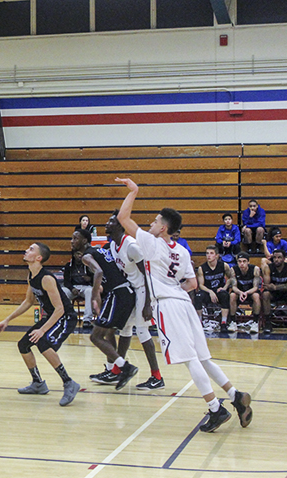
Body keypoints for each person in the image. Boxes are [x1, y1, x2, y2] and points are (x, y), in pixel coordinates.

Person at [116, 177, 252, 433]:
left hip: (168, 306)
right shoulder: (183, 251)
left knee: (191, 360)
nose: (151, 224)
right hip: (184, 304)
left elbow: (124, 218)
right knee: (203, 357)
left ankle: (216, 409)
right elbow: (191, 283)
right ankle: (235, 395)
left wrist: (134, 191)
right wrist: (172, 287)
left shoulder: (152, 243)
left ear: (163, 228)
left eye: (155, 221)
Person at [0, 242, 80, 406]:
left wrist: (42, 330)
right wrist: (7, 319)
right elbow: (28, 302)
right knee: (23, 345)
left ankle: (69, 382)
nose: (26, 250)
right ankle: (38, 383)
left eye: (31, 249)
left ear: (38, 258)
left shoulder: (47, 278)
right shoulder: (31, 276)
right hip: (52, 316)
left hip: (65, 317)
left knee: (43, 342)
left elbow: (60, 309)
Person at [98, 211, 165, 390]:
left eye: (111, 221)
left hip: (144, 289)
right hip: (131, 290)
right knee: (125, 328)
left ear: (120, 226)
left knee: (142, 332)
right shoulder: (113, 245)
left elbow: (148, 274)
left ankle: (157, 377)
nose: (106, 223)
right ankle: (119, 370)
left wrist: (147, 303)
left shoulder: (132, 246)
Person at [72, 229, 139, 391]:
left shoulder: (88, 255)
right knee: (109, 332)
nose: (72, 241)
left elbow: (100, 272)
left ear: (85, 242)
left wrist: (95, 295)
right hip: (125, 292)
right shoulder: (100, 250)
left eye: (76, 238)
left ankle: (125, 367)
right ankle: (112, 370)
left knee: (95, 336)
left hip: (118, 293)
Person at [194, 246, 234, 333]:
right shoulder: (202, 268)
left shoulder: (224, 266)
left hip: (219, 291)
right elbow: (201, 285)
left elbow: (231, 277)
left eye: (211, 253)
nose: (208, 256)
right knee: (198, 296)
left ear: (217, 255)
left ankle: (223, 323)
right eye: (207, 253)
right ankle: (199, 322)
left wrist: (225, 287)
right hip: (207, 291)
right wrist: (210, 291)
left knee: (225, 295)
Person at [230, 252, 262, 334]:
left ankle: (255, 322)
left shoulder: (255, 269)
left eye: (244, 261)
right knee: (232, 295)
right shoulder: (233, 270)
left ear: (248, 262)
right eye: (239, 261)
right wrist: (240, 293)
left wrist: (246, 293)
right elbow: (234, 286)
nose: (242, 263)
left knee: (256, 296)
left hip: (251, 291)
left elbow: (255, 287)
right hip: (239, 292)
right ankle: (233, 322)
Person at [62, 250, 94, 328]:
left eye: (81, 254)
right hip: (72, 287)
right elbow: (66, 281)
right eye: (78, 253)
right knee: (63, 291)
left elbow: (96, 279)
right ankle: (66, 317)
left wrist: (90, 279)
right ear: (74, 255)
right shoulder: (68, 266)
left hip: (85, 287)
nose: (80, 256)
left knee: (90, 291)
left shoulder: (89, 266)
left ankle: (87, 320)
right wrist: (72, 288)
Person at [261, 248, 287, 335]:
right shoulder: (268, 268)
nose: (276, 259)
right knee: (265, 294)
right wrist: (281, 287)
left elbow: (273, 287)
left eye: (279, 257)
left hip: (284, 293)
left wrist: (276, 287)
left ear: (284, 258)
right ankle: (268, 322)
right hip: (274, 293)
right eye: (275, 257)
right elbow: (267, 286)